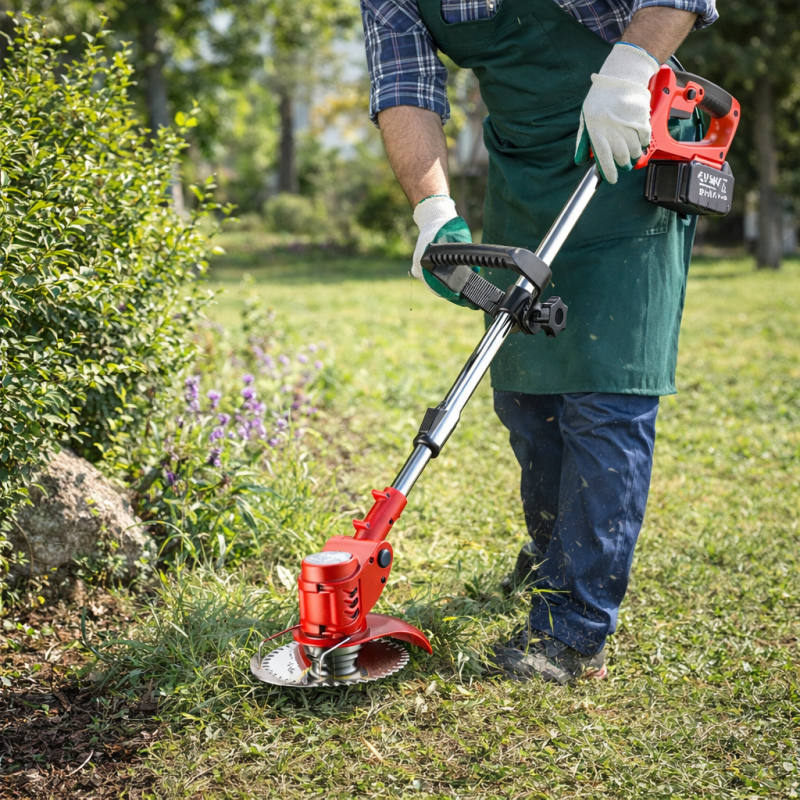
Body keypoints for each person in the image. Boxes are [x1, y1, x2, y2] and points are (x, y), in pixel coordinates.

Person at [359, 0, 717, 684]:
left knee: (605, 391)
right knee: (527, 393)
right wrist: (433, 212)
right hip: (526, 168)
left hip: (632, 139)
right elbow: (404, 88)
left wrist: (629, 69)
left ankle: (574, 630)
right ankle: (558, 555)